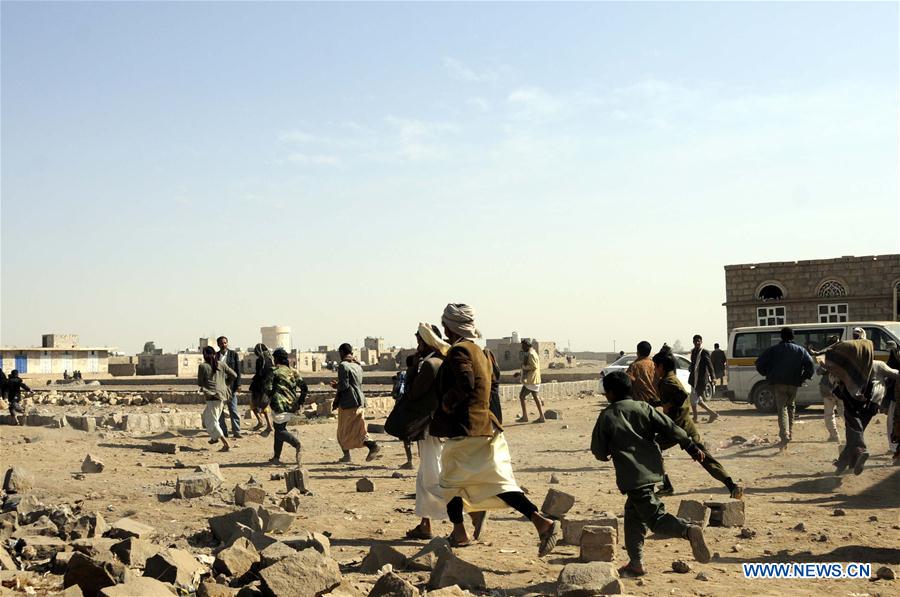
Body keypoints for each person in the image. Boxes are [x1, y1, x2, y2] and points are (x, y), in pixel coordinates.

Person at [430, 303, 560, 556]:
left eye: (446, 324)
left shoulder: (459, 352)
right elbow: (493, 386)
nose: (444, 329)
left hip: (466, 428)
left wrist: (447, 404)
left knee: (449, 483)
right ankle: (539, 521)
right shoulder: (483, 352)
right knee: (497, 483)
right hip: (485, 426)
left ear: (452, 326)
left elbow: (466, 382)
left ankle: (460, 532)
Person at [591, 370, 711, 577]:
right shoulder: (644, 408)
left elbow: (599, 451)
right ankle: (636, 563)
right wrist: (690, 447)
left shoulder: (607, 415)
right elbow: (671, 428)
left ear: (609, 393)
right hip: (653, 471)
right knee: (633, 516)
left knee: (655, 519)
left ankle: (687, 531)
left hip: (632, 477)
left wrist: (608, 453)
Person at [652, 350, 743, 499]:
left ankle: (665, 485)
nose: (655, 370)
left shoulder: (666, 381)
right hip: (687, 425)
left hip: (675, 429)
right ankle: (731, 485)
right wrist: (656, 403)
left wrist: (668, 404)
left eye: (655, 366)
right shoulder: (671, 378)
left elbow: (681, 395)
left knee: (651, 448)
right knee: (705, 458)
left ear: (661, 366)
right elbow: (674, 398)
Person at [390, 323, 450, 540]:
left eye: (419, 342)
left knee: (432, 476)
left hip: (430, 427)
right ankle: (425, 524)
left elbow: (414, 394)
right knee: (425, 475)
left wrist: (412, 369)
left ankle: (468, 511)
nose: (417, 347)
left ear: (427, 342)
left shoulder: (429, 365)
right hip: (437, 425)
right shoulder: (441, 361)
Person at [825, 335, 899, 474]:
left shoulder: (847, 369)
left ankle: (859, 451)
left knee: (854, 430)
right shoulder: (878, 364)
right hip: (873, 403)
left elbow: (832, 381)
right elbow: (896, 374)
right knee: (855, 432)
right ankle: (845, 464)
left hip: (853, 402)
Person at [755, 327, 815, 451]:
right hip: (794, 383)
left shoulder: (773, 350)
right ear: (793, 337)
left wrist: (767, 374)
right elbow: (810, 365)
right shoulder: (801, 350)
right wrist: (803, 378)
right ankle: (790, 433)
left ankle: (785, 434)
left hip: (779, 383)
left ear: (781, 337)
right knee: (791, 407)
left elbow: (759, 363)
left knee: (782, 409)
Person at [331, 343, 380, 463]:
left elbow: (344, 385)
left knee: (343, 431)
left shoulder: (343, 366)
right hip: (360, 401)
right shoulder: (358, 366)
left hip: (348, 402)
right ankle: (353, 453)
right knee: (359, 429)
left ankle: (370, 446)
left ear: (342, 352)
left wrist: (336, 385)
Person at [264, 348, 307, 465]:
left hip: (279, 405)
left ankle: (297, 444)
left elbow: (267, 388)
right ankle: (276, 458)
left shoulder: (274, 371)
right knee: (279, 429)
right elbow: (304, 388)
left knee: (279, 431)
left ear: (276, 359)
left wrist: (270, 397)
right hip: (292, 405)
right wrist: (300, 402)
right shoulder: (293, 371)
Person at [198, 346, 235, 452]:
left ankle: (226, 444)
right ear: (214, 354)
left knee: (212, 421)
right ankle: (214, 437)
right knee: (206, 417)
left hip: (212, 397)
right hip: (221, 396)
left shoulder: (203, 366)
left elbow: (200, 383)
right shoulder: (221, 364)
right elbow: (234, 375)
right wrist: (224, 384)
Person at [688, 335, 719, 423]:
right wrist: (691, 367)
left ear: (701, 341)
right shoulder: (693, 351)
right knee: (697, 399)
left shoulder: (704, 352)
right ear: (693, 342)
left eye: (698, 341)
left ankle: (695, 418)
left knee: (693, 398)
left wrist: (713, 377)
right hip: (694, 378)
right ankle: (712, 414)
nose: (697, 343)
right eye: (695, 341)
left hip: (701, 379)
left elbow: (709, 365)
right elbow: (693, 363)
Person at [216, 336, 242, 439]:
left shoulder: (233, 355)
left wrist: (239, 384)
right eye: (222, 343)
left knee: (233, 410)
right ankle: (223, 432)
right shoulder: (215, 356)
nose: (224, 345)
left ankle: (236, 431)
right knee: (220, 411)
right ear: (218, 345)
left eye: (225, 343)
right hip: (220, 387)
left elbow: (238, 371)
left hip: (231, 386)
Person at [516, 339, 545, 423]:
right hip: (532, 380)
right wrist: (520, 373)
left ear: (527, 346)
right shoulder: (532, 353)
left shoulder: (531, 354)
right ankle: (540, 416)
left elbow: (534, 366)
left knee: (522, 396)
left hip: (531, 380)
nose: (522, 348)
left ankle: (526, 417)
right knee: (534, 397)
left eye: (523, 346)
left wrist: (523, 367)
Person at [248, 343, 274, 436]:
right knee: (265, 405)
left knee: (253, 404)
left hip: (259, 386)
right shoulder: (271, 360)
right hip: (268, 386)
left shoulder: (260, 360)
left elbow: (259, 373)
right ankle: (269, 425)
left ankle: (260, 421)